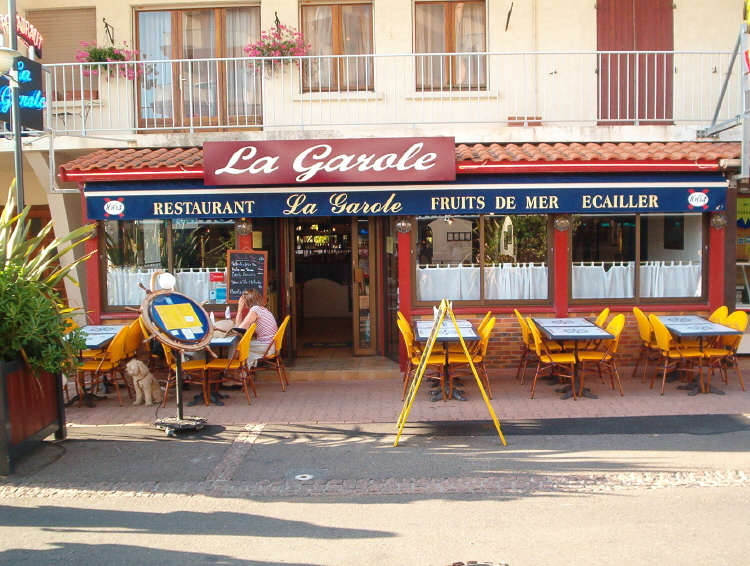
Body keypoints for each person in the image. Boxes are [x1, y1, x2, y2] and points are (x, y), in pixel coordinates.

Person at [235, 288, 278, 367]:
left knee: (237, 346)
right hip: (272, 346)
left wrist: (239, 309)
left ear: (246, 300)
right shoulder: (263, 309)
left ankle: (234, 369)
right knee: (241, 345)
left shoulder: (255, 310)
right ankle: (241, 371)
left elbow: (239, 329)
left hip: (266, 347)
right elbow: (240, 329)